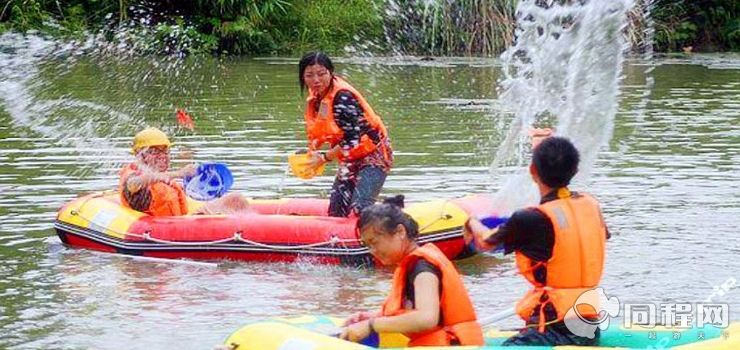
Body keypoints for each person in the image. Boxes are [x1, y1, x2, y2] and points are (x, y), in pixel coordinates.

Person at [464, 133, 610, 346]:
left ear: (533, 171)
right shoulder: (591, 206)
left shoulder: (530, 218)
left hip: (554, 326)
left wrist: (471, 222)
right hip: (589, 322)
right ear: (575, 171)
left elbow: (485, 241)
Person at [340, 196, 484, 346]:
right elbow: (410, 309)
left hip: (453, 344)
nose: (372, 251)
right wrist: (371, 317)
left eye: (375, 242)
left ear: (400, 232)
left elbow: (427, 318)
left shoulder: (423, 269)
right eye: (368, 245)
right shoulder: (412, 265)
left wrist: (371, 325)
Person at [298, 51, 393, 217]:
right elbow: (321, 129)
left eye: (321, 74)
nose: (316, 80)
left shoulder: (343, 97)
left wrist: (324, 158)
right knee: (336, 212)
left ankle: (389, 217)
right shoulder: (319, 96)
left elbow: (352, 140)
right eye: (309, 75)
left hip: (374, 155)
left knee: (360, 208)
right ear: (303, 77)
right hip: (349, 158)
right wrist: (311, 152)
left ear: (331, 73)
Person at [120, 127, 251, 216]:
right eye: (154, 151)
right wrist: (179, 173)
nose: (162, 156)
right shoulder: (133, 177)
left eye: (165, 151)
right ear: (140, 155)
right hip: (167, 228)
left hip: (185, 218)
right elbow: (135, 183)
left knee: (237, 199)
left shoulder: (162, 178)